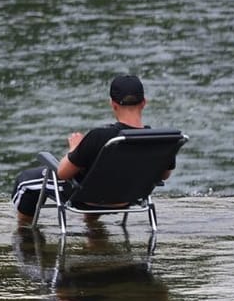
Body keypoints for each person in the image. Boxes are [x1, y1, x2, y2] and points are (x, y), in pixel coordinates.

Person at [11, 74, 173, 226]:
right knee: (102, 175)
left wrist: (75, 146)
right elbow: (164, 175)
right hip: (131, 197)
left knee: (26, 181)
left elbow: (63, 173)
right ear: (144, 102)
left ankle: (25, 232)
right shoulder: (159, 140)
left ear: (113, 104)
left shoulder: (100, 136)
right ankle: (93, 235)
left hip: (88, 199)